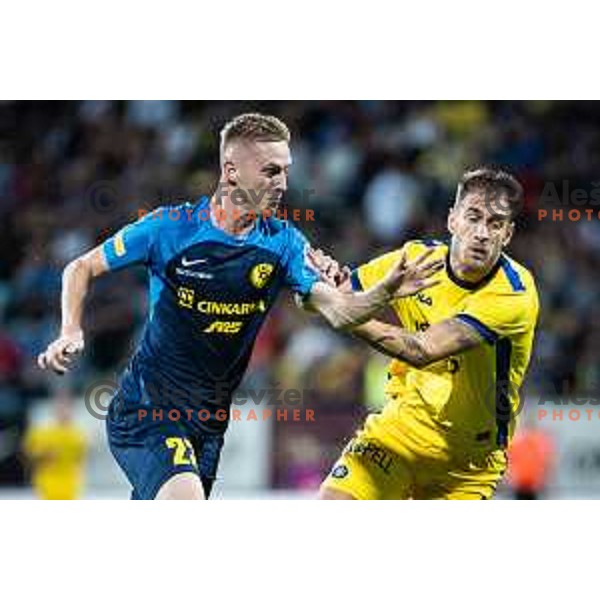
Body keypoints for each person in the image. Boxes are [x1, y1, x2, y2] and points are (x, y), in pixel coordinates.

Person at [37, 113, 442, 500]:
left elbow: (340, 311)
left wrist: (382, 294)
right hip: (148, 411)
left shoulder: (283, 241)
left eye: (285, 170)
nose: (283, 183)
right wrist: (70, 328)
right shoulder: (170, 228)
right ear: (231, 171)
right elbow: (81, 266)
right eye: (271, 171)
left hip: (210, 425)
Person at [317, 165, 539, 500]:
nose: (482, 233)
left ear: (507, 234)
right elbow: (341, 292)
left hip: (467, 465)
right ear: (453, 220)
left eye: (495, 223)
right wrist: (318, 279)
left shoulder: (514, 293)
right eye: (473, 217)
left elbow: (422, 350)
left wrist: (344, 313)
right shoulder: (416, 259)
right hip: (398, 434)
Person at [23, 390, 88, 500]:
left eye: (67, 407)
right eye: (61, 407)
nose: (64, 411)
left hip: (70, 484)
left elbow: (80, 458)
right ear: (54, 408)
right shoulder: (41, 432)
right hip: (47, 483)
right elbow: (28, 456)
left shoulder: (79, 435)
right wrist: (43, 456)